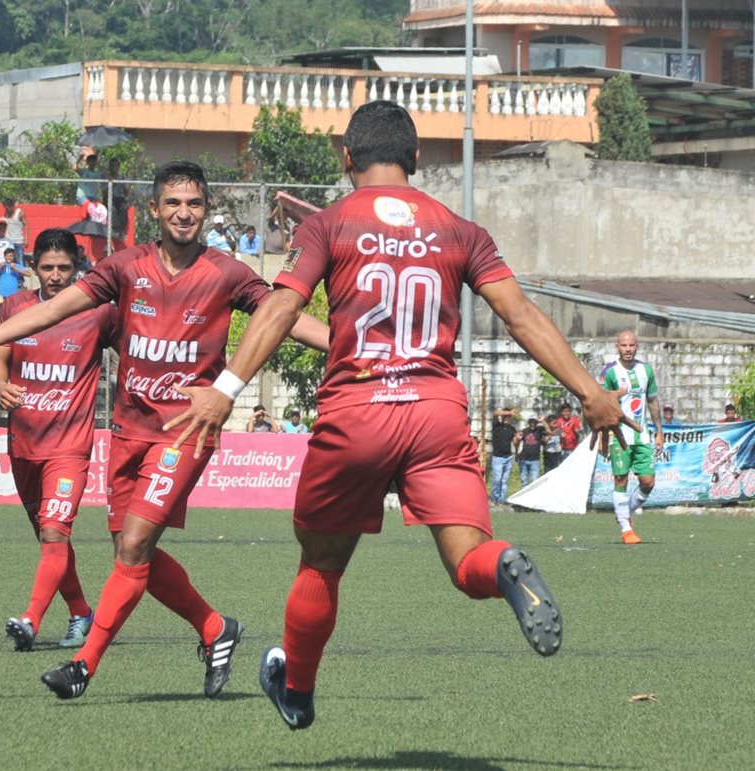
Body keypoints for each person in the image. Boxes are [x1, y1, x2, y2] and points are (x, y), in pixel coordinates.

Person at [163, 101, 635, 731]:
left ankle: (298, 689)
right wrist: (589, 392)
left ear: (347, 159)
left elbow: (279, 309)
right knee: (468, 562)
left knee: (321, 562)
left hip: (357, 411)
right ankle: (504, 567)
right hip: (437, 411)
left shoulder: (329, 224)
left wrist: (226, 388)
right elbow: (521, 316)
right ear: (417, 160)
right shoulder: (459, 229)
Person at [0, 160, 329, 701]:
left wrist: (357, 347)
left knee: (134, 546)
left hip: (185, 432)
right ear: (155, 211)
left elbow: (284, 315)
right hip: (128, 433)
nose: (185, 213)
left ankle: (83, 665)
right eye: (175, 203)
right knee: (129, 554)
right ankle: (214, 628)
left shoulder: (226, 272)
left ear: (205, 211)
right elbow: (55, 309)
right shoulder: (124, 266)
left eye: (196, 204)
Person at [0, 228, 120, 653]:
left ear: (77, 268)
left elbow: (136, 354)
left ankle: (30, 619)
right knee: (50, 540)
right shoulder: (15, 306)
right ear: (34, 268)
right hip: (23, 444)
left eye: (65, 268)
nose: (56, 276)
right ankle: (81, 612)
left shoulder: (99, 312)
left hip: (69, 447)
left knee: (54, 533)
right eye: (47, 268)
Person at [599, 330, 663, 545]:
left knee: (648, 482)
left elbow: (653, 401)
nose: (628, 349)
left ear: (637, 346)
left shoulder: (646, 370)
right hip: (619, 435)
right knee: (621, 479)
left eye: (631, 345)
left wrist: (659, 432)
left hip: (642, 436)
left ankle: (623, 513)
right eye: (624, 346)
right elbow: (603, 406)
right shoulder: (610, 373)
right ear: (617, 347)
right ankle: (626, 530)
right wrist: (603, 438)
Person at [490, 408, 518, 503]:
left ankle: (502, 499)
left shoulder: (512, 429)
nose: (507, 418)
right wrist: (510, 412)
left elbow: (514, 443)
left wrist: (517, 438)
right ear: (502, 417)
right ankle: (495, 497)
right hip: (498, 457)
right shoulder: (496, 425)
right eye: (505, 416)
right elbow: (495, 413)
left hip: (508, 457)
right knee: (497, 480)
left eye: (508, 417)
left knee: (504, 480)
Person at [516, 416, 545, 488]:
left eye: (534, 422)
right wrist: (518, 439)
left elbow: (549, 431)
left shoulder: (540, 430)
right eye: (531, 422)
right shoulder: (524, 431)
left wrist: (543, 421)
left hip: (535, 460)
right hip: (523, 458)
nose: (533, 424)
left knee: (535, 481)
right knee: (524, 480)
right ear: (528, 422)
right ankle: (523, 497)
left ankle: (533, 497)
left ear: (537, 423)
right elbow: (516, 444)